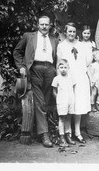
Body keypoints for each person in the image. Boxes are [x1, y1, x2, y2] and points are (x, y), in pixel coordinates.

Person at [13, 14, 59, 148]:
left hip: (50, 70)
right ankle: (44, 134)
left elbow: (58, 57)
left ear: (50, 25)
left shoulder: (54, 39)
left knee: (45, 101)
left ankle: (46, 130)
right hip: (35, 70)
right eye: (42, 24)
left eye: (47, 24)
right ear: (38, 25)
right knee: (39, 102)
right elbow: (17, 52)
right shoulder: (29, 36)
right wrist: (21, 67)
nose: (44, 27)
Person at [56, 22, 91, 144]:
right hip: (67, 79)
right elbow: (59, 64)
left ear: (77, 33)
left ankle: (78, 132)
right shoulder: (61, 46)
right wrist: (60, 80)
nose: (71, 34)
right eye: (69, 31)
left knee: (79, 106)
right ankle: (68, 132)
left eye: (74, 31)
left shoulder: (82, 45)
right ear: (65, 32)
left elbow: (87, 62)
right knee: (68, 105)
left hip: (80, 77)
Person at [52, 59, 75, 147]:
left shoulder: (70, 78)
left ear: (68, 68)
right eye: (61, 67)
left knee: (69, 117)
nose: (63, 69)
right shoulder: (57, 78)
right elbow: (54, 91)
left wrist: (72, 99)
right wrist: (58, 99)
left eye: (65, 67)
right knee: (62, 118)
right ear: (58, 68)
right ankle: (62, 137)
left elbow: (72, 89)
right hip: (62, 101)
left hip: (70, 100)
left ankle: (68, 135)